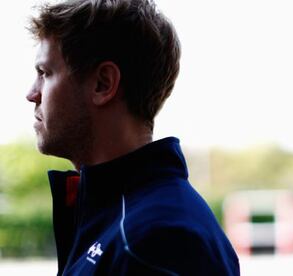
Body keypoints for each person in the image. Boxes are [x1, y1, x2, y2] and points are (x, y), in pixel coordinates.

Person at [26, 0, 240, 275]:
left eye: (44, 73)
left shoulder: (160, 241)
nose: (32, 94)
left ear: (103, 84)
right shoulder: (122, 220)